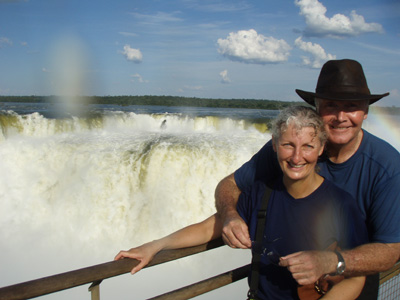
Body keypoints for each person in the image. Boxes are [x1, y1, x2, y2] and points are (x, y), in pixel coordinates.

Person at [115, 106, 368, 299]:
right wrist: (156, 245)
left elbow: (355, 278)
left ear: (321, 148)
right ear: (274, 146)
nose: (297, 156)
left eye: (308, 146)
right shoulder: (262, 193)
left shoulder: (341, 205)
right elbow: (210, 227)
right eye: (288, 145)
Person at [215, 59, 400, 299]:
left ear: (365, 112)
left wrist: (333, 262)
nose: (341, 116)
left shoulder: (387, 167)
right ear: (317, 108)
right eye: (331, 105)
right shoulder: (291, 151)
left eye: (352, 106)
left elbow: (392, 249)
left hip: (353, 288)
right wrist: (230, 215)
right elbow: (229, 185)